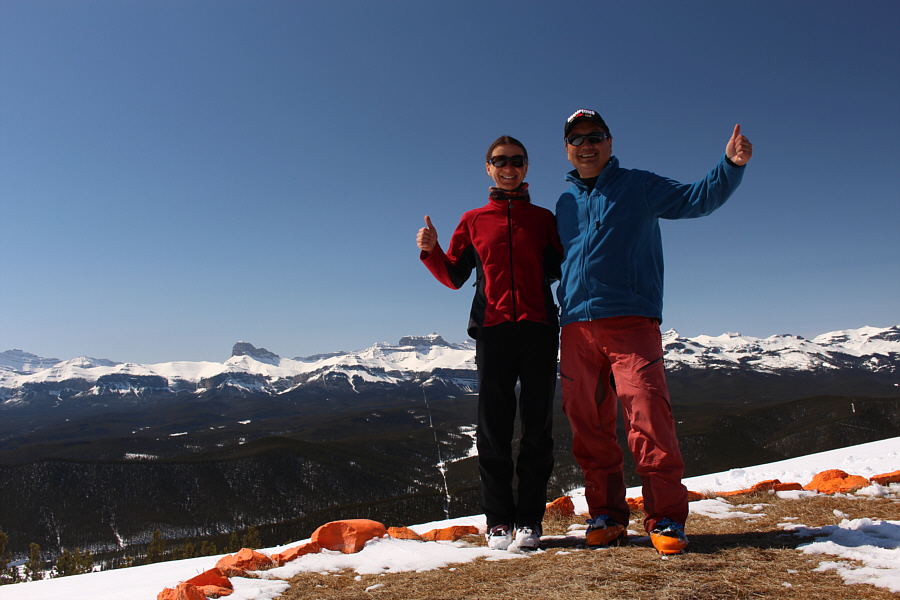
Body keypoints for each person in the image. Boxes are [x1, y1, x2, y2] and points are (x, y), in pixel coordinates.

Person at [555, 109, 753, 554]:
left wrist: (730, 165)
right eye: (577, 139)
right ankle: (606, 515)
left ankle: (665, 518)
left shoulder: (638, 185)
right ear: (567, 149)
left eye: (595, 136)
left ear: (609, 143)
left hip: (631, 320)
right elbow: (550, 261)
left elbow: (696, 199)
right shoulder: (564, 204)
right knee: (588, 426)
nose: (586, 145)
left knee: (647, 415)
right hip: (575, 327)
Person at [416, 135, 562, 551]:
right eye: (500, 161)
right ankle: (498, 521)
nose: (508, 167)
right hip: (493, 331)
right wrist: (432, 252)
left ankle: (530, 520)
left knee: (537, 429)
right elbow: (454, 276)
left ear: (526, 167)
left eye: (517, 160)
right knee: (493, 430)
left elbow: (561, 268)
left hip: (538, 329)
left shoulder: (543, 219)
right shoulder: (473, 220)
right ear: (488, 168)